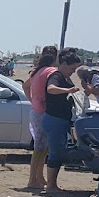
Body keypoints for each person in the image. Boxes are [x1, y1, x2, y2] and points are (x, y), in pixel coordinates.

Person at [41, 49, 85, 194]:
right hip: (54, 119)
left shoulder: (66, 78)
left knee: (59, 151)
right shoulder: (56, 76)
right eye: (72, 68)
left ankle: (53, 184)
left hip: (62, 119)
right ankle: (50, 185)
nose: (73, 72)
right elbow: (51, 89)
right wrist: (68, 91)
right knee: (55, 152)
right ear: (64, 64)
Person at [24, 46, 58, 189]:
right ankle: (32, 179)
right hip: (42, 111)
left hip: (35, 110)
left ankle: (38, 177)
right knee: (40, 147)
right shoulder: (51, 71)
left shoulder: (36, 71)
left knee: (43, 147)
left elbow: (25, 86)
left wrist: (33, 100)